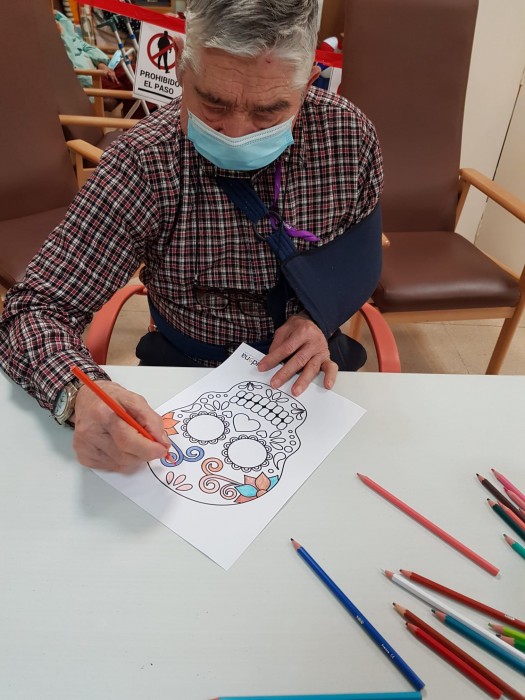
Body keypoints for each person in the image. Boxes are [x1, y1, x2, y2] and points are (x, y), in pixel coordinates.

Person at [0, 0, 383, 473]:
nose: (237, 133)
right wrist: (81, 394)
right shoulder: (144, 163)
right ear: (182, 66)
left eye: (269, 112)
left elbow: (359, 254)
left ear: (309, 82)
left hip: (309, 369)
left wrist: (316, 317)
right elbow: (34, 310)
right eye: (213, 103)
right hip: (185, 367)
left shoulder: (348, 138)